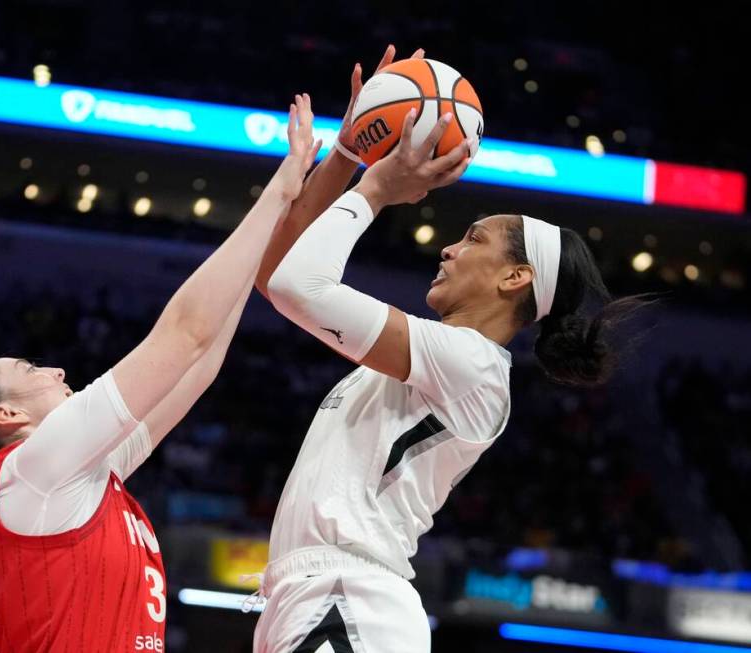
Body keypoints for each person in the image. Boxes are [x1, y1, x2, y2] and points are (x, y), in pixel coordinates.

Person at [0, 97, 321, 652]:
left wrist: (269, 236)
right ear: (10, 414)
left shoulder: (77, 474)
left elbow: (200, 361)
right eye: (31, 369)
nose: (56, 370)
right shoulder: (33, 468)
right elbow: (185, 333)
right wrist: (279, 191)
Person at [252, 46, 643, 652]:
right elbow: (275, 272)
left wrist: (377, 189)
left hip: (350, 599)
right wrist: (351, 152)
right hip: (322, 594)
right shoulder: (439, 356)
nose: (448, 249)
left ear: (515, 278)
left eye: (473, 239)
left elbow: (294, 287)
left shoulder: (473, 365)